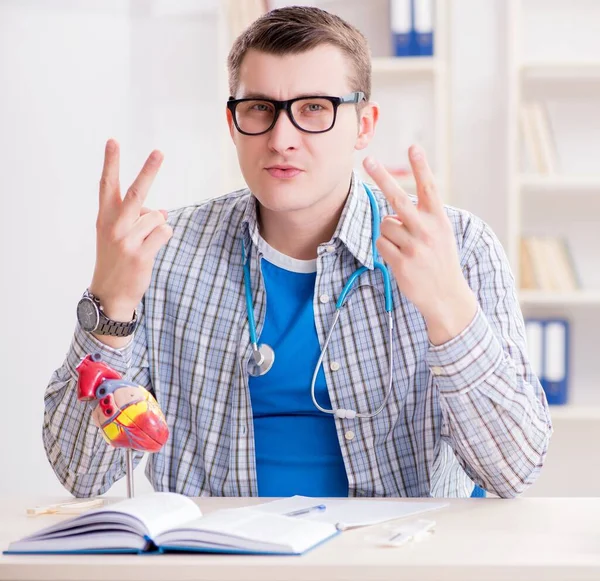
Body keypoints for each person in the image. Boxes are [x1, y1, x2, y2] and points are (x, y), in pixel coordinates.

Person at [43, 5, 552, 499]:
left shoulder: (459, 247)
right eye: (260, 108)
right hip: (215, 561)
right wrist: (110, 307)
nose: (282, 138)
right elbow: (80, 473)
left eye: (314, 108)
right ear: (232, 124)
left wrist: (448, 307)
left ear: (365, 125)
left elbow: (513, 471)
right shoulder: (162, 253)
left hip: (390, 559)